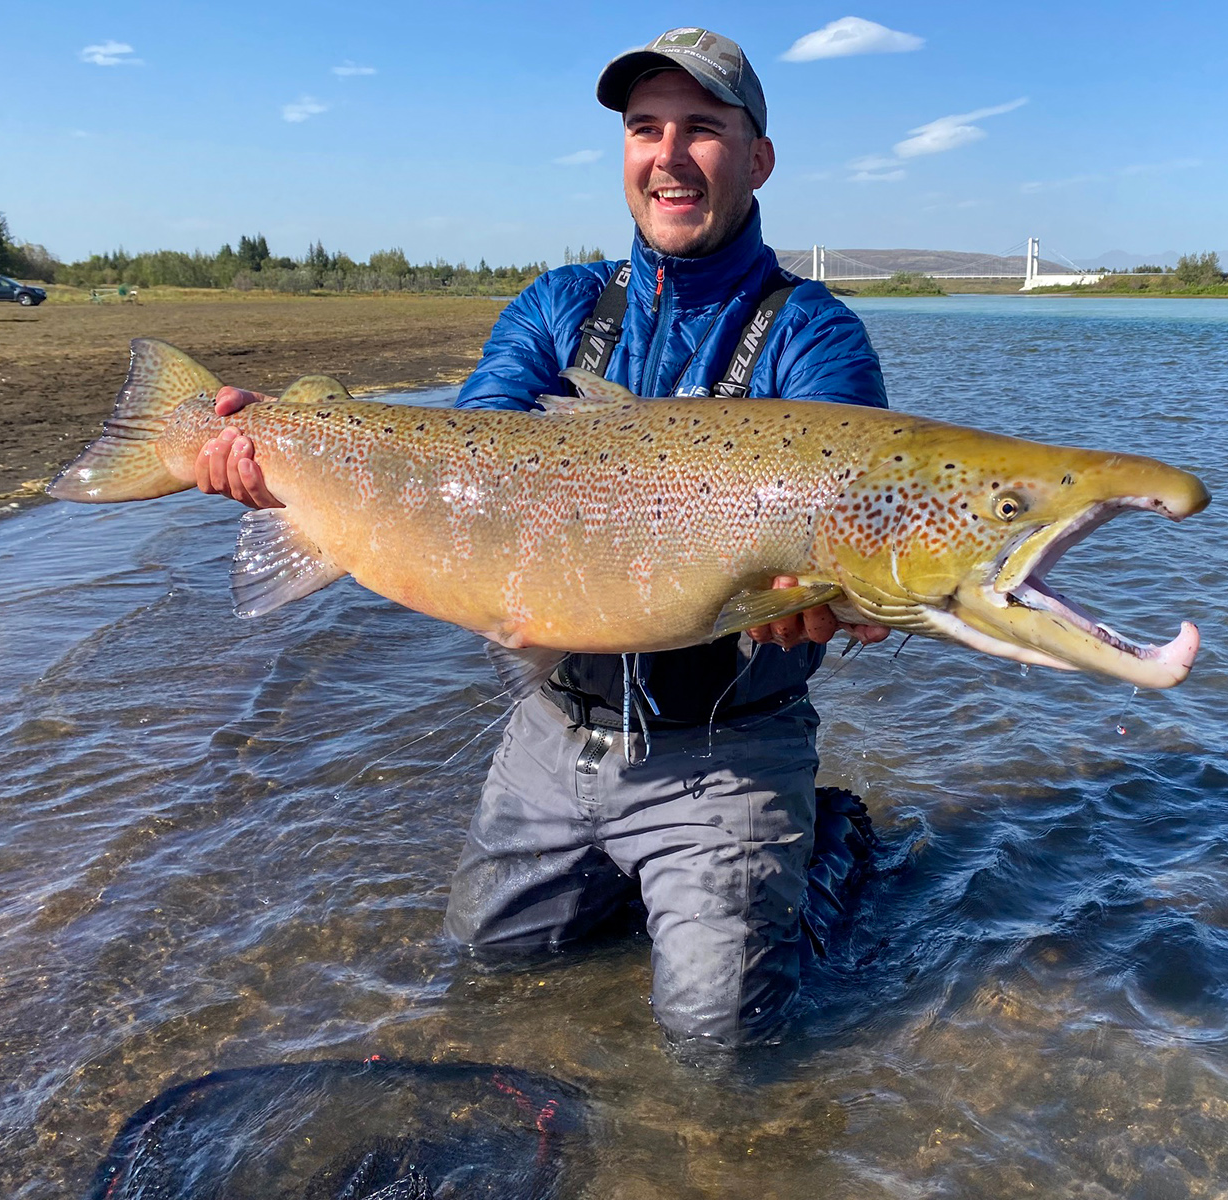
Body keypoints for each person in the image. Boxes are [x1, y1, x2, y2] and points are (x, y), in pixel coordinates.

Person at [196, 28, 889, 1047]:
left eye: (701, 129)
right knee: (494, 969)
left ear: (757, 158)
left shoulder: (813, 335)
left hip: (727, 747)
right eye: (644, 128)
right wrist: (293, 465)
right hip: (554, 728)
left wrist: (833, 597)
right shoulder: (558, 308)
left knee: (719, 1042)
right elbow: (466, 460)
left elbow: (849, 509)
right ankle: (657, 883)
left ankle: (818, 857)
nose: (668, 154)